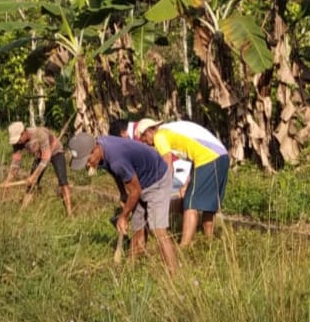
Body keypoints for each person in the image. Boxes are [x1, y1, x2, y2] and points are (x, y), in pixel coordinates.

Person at [69, 131, 179, 273]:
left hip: (157, 179)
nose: (87, 165)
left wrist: (123, 216)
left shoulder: (116, 159)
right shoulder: (102, 147)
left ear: (94, 149)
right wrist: (122, 193)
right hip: (140, 181)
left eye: (87, 160)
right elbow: (116, 173)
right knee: (137, 227)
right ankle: (130, 272)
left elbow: (135, 191)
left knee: (158, 230)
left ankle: (174, 275)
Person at [136, 117, 230, 247]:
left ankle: (184, 246)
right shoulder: (170, 130)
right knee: (210, 204)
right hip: (222, 156)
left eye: (145, 140)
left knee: (190, 203)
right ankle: (209, 243)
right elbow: (195, 153)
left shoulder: (159, 136)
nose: (147, 144)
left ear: (148, 132)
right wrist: (187, 184)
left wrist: (162, 191)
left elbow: (167, 163)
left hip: (208, 158)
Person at [6, 121, 73, 216]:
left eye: (19, 138)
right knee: (31, 185)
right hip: (39, 155)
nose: (18, 142)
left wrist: (34, 175)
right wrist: (9, 179)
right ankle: (22, 212)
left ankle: (70, 213)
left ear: (24, 132)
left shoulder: (39, 134)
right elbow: (15, 162)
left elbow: (46, 158)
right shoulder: (18, 143)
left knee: (63, 181)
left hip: (55, 152)